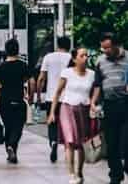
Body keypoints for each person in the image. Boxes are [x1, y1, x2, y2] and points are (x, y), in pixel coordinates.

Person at [48, 45, 95, 184]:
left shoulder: (92, 74)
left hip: (84, 109)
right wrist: (52, 113)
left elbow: (94, 94)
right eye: (82, 56)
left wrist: (93, 105)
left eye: (86, 55)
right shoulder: (67, 73)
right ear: (74, 59)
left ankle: (79, 171)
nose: (85, 58)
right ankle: (72, 174)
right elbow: (57, 93)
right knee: (69, 142)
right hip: (67, 108)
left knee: (81, 143)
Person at [91, 32, 128, 184]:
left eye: (108, 48)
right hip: (109, 105)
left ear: (116, 45)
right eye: (103, 48)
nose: (105, 51)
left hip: (126, 104)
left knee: (125, 142)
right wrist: (93, 102)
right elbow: (98, 84)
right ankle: (115, 174)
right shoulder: (100, 61)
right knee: (111, 143)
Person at [0, 38, 31, 164]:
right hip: (18, 99)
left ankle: (9, 150)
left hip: (5, 101)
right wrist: (29, 95)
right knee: (18, 126)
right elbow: (30, 80)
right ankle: (12, 146)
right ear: (18, 50)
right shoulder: (23, 65)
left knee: (8, 126)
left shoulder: (1, 67)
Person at [37, 35, 72, 163]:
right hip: (66, 97)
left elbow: (41, 78)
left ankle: (53, 142)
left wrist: (39, 94)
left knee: (52, 122)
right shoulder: (71, 58)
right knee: (65, 123)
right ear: (69, 46)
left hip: (51, 97)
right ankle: (65, 145)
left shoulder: (48, 57)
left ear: (57, 45)